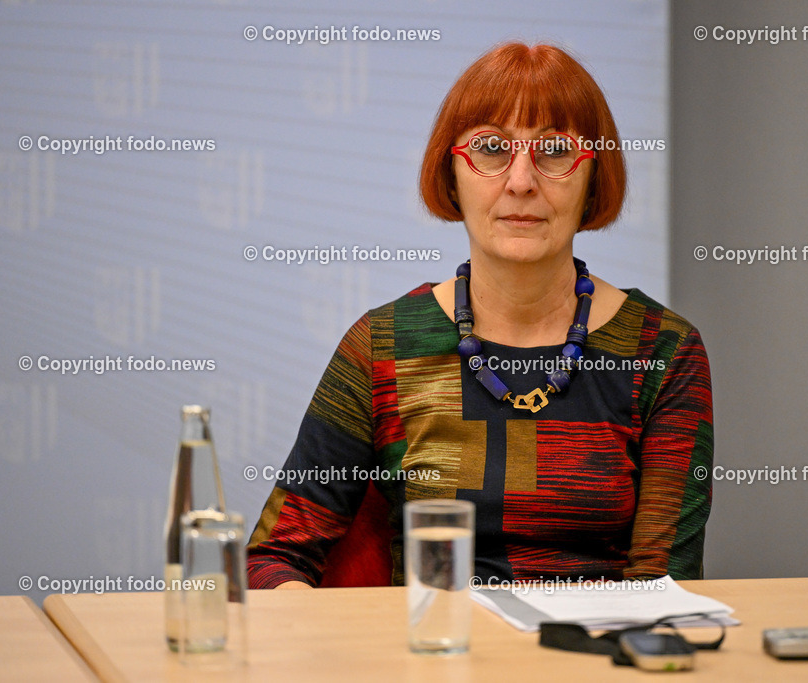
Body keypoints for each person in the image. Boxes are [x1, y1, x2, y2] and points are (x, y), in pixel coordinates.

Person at [247, 42, 713, 590]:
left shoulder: (663, 350)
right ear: (451, 175)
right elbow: (273, 558)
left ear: (594, 176)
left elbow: (665, 587)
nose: (521, 181)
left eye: (555, 150)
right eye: (491, 148)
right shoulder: (384, 344)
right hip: (434, 640)